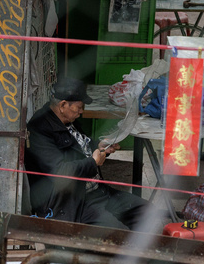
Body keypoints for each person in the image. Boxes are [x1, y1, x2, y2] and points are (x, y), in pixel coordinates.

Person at [24, 77, 162, 232]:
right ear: (63, 105)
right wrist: (93, 162)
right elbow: (59, 172)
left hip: (98, 192)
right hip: (72, 202)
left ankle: (141, 251)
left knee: (149, 212)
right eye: (79, 107)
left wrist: (99, 145)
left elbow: (81, 143)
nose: (82, 111)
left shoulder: (66, 118)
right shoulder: (39, 130)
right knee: (117, 233)